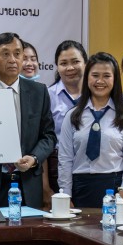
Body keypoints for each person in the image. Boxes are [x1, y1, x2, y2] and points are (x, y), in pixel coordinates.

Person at [0, 32, 56, 209]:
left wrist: (34, 157)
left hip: (28, 183)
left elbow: (49, 136)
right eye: (5, 54)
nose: (12, 59)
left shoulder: (39, 92)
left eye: (17, 54)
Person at [57, 52, 123, 207]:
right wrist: (66, 194)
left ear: (114, 80)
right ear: (87, 77)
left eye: (107, 76)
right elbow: (65, 159)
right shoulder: (73, 116)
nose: (100, 81)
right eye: (95, 75)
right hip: (80, 187)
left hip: (114, 186)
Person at [43, 40, 88, 204]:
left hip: (91, 165)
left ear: (86, 62)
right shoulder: (47, 96)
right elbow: (42, 140)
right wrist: (45, 187)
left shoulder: (97, 95)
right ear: (57, 66)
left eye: (76, 62)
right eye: (63, 63)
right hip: (57, 165)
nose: (70, 68)